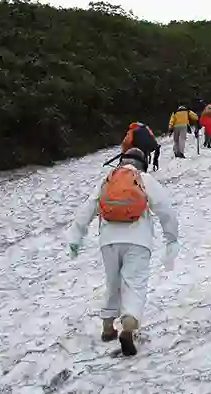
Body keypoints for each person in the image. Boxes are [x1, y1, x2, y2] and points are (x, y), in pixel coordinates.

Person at [66, 148, 180, 356]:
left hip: (108, 240)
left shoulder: (108, 179)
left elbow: (88, 208)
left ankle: (108, 327)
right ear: (142, 163)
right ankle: (128, 325)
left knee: (113, 281)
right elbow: (165, 209)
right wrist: (171, 238)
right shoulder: (144, 179)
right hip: (138, 240)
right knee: (134, 283)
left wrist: (75, 237)